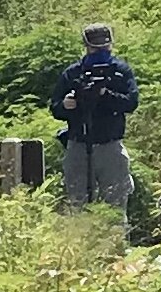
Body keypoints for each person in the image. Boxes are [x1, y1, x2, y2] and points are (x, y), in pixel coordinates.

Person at [51, 24, 139, 213]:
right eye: (95, 48)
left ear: (111, 46)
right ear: (86, 46)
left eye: (104, 48)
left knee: (116, 206)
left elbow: (131, 103)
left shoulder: (121, 72)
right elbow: (55, 108)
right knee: (76, 204)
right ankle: (81, 240)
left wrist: (104, 94)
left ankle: (116, 241)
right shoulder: (73, 73)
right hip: (78, 145)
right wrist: (66, 105)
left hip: (110, 145)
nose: (100, 52)